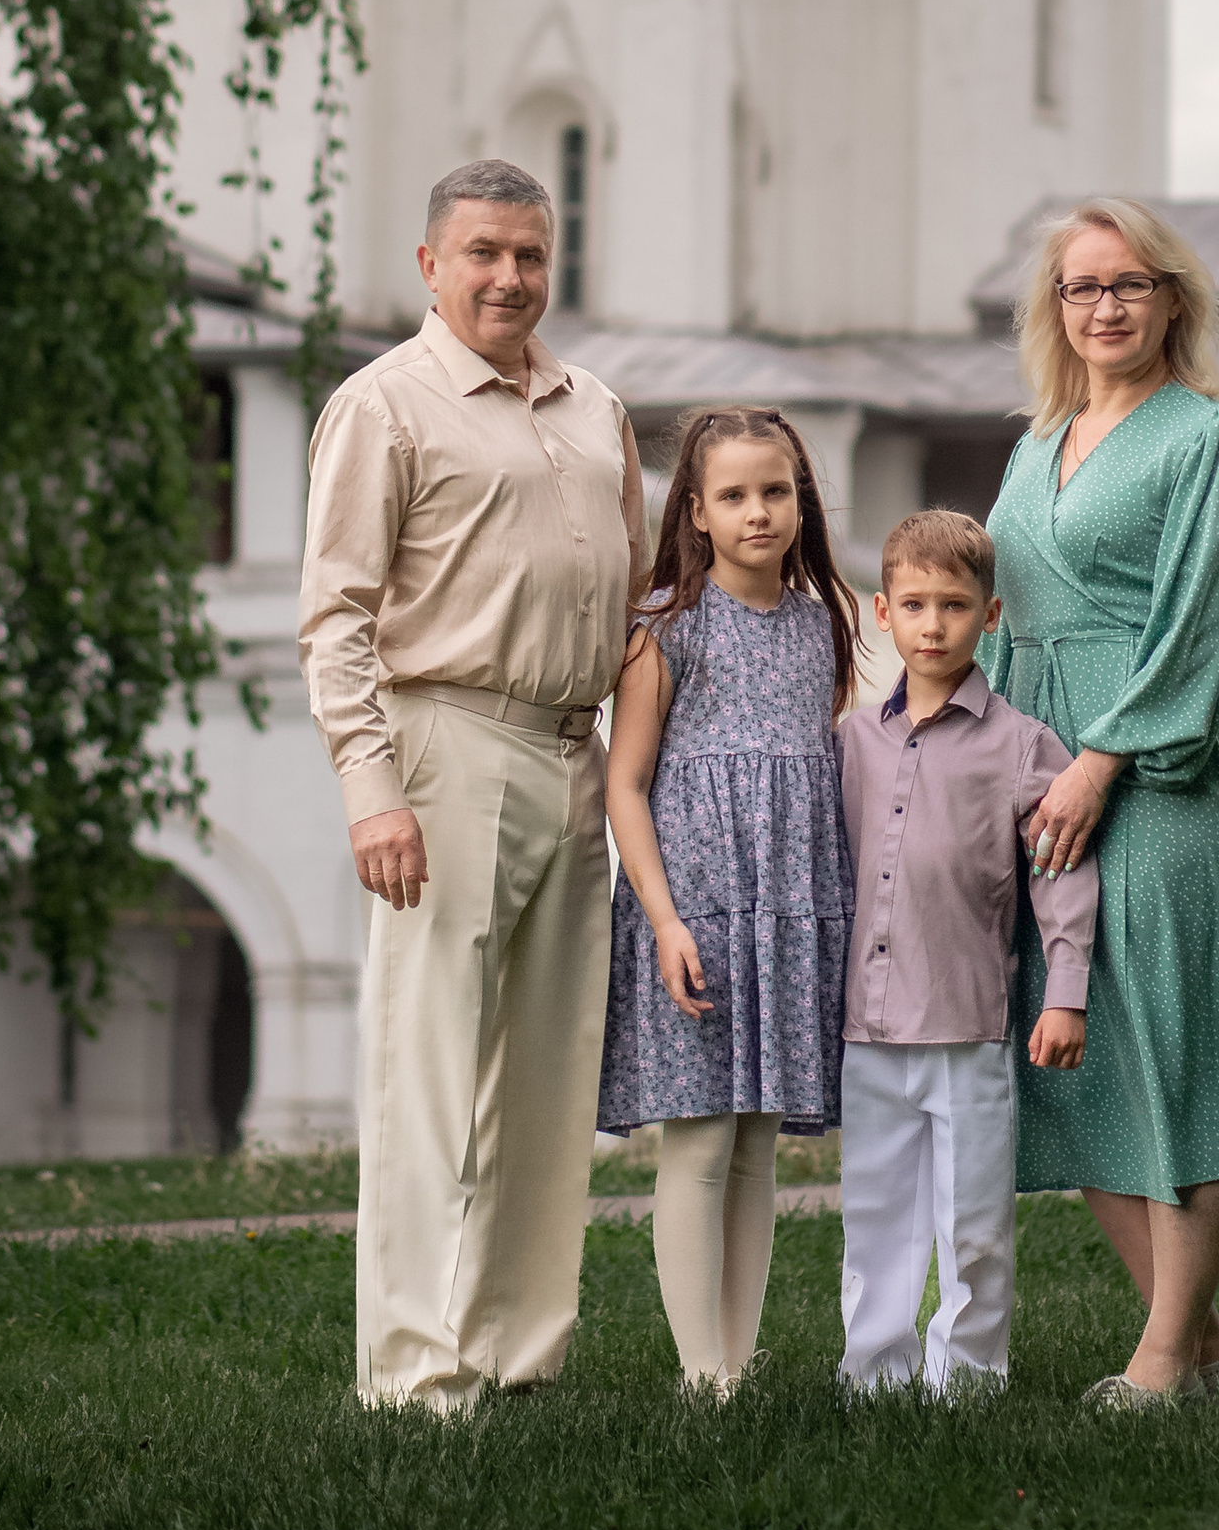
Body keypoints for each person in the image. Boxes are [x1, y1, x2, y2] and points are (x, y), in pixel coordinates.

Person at [299, 159, 649, 1411]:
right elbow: (334, 616)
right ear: (430, 265)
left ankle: (516, 1355)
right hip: (445, 745)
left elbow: (637, 597)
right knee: (430, 1070)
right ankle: (414, 1375)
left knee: (550, 1077)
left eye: (529, 255)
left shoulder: (595, 406)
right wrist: (371, 788)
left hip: (574, 753)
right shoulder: (382, 405)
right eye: (484, 253)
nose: (509, 277)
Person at [982, 194, 1219, 1411]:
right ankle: (1210, 1353)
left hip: (1153, 782)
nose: (1105, 307)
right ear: (1054, 307)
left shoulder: (1205, 437)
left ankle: (1162, 1366)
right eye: (1083, 286)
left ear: (1172, 300)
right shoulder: (1035, 443)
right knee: (1070, 1066)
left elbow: (1195, 626)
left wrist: (1100, 761)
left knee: (1173, 1062)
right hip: (1035, 779)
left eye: (1129, 284)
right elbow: (998, 617)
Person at [597, 406, 859, 1393]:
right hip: (696, 916)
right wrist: (664, 922)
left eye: (776, 491)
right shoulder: (667, 625)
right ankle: (699, 1372)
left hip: (788, 912)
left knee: (757, 1146)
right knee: (702, 1139)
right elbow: (626, 784)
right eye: (735, 495)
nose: (759, 512)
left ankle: (736, 1367)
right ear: (696, 512)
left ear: (801, 502)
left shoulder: (819, 625)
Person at [834, 508, 1098, 1395]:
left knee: (973, 1223)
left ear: (989, 615)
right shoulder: (852, 742)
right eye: (914, 605)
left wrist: (1065, 993)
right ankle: (873, 1376)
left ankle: (969, 1384)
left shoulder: (1022, 745)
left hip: (968, 1025)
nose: (933, 625)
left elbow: (1062, 872)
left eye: (954, 606)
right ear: (882, 613)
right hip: (868, 1031)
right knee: (875, 1218)